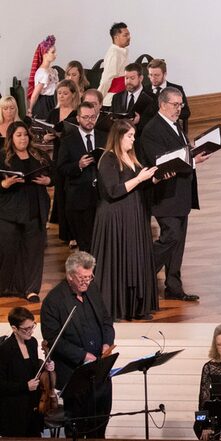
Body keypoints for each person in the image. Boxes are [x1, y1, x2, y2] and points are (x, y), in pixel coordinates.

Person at [141, 87, 210, 302]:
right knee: (170, 237)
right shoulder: (152, 129)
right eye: (175, 104)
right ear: (162, 104)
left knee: (178, 243)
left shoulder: (174, 125)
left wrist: (193, 154)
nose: (179, 109)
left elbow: (180, 153)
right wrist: (192, 160)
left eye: (181, 104)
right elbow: (160, 159)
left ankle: (173, 286)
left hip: (180, 195)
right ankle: (142, 272)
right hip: (165, 195)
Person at [90, 120, 162, 320]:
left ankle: (136, 307)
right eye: (129, 136)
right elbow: (113, 191)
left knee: (134, 258)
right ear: (118, 136)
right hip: (115, 218)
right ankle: (116, 307)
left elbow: (140, 187)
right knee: (118, 260)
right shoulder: (108, 159)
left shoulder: (131, 158)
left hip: (134, 215)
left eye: (133, 135)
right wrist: (140, 178)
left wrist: (156, 178)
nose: (132, 139)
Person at [41, 251, 115, 439]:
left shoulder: (93, 289)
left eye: (90, 277)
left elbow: (107, 321)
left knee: (101, 419)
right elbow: (53, 338)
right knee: (78, 427)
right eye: (82, 278)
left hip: (100, 371)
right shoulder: (54, 301)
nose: (87, 282)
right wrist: (84, 356)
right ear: (70, 275)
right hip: (75, 374)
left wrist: (107, 342)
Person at [0, 121, 52, 302]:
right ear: (11, 138)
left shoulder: (39, 155)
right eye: (18, 135)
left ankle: (31, 290)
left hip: (35, 208)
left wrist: (48, 181)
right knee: (8, 249)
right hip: (10, 211)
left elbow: (53, 175)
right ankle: (6, 286)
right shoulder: (2, 157)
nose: (23, 138)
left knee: (34, 251)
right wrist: (4, 184)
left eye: (25, 134)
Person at [58, 102, 106, 252]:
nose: (90, 120)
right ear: (78, 118)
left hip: (101, 197)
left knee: (100, 242)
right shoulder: (68, 140)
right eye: (85, 117)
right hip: (78, 199)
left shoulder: (104, 136)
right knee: (85, 244)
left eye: (93, 117)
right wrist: (78, 165)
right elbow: (61, 168)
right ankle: (87, 274)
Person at [0, 306, 55, 437]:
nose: (30, 331)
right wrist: (25, 386)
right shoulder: (5, 350)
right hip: (14, 411)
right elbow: (1, 385)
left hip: (33, 407)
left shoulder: (32, 343)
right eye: (26, 329)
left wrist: (46, 368)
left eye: (32, 326)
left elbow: (34, 370)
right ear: (14, 328)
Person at [46, 79, 81, 238]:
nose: (61, 96)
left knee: (71, 194)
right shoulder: (53, 113)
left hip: (73, 157)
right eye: (59, 93)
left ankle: (74, 233)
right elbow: (46, 132)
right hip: (58, 156)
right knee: (59, 192)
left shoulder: (77, 113)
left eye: (65, 93)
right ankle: (64, 232)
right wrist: (47, 136)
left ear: (73, 95)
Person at [147, 59, 190, 135]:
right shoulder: (144, 90)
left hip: (171, 130)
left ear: (165, 74)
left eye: (156, 75)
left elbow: (186, 113)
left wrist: (171, 112)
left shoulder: (177, 89)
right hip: (151, 131)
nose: (153, 78)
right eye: (151, 75)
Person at [111, 63, 155, 137]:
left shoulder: (152, 98)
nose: (128, 81)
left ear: (140, 78)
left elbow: (154, 124)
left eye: (132, 78)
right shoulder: (116, 97)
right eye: (126, 78)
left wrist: (139, 121)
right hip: (119, 140)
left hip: (141, 142)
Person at [99, 22, 131, 107]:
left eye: (129, 35)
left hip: (122, 96)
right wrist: (98, 98)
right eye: (125, 35)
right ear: (116, 37)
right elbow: (107, 79)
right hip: (112, 99)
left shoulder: (122, 51)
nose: (129, 37)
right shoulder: (114, 54)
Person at [26, 35, 58, 119]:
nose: (55, 54)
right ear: (45, 53)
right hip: (45, 104)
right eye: (53, 52)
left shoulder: (52, 70)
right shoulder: (42, 73)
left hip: (53, 100)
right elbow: (35, 94)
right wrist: (30, 109)